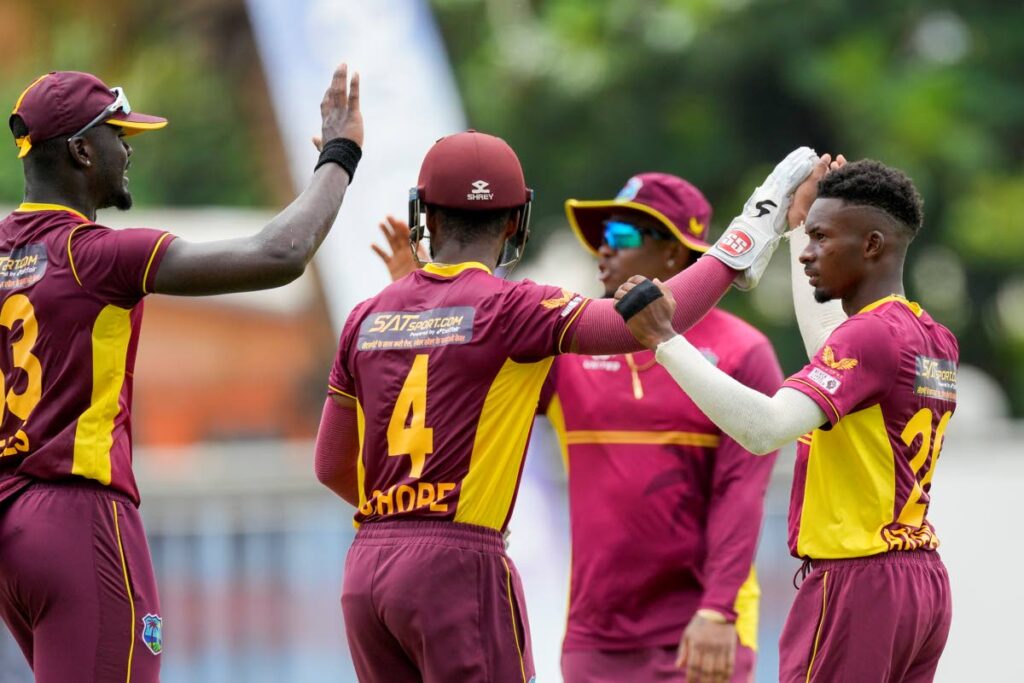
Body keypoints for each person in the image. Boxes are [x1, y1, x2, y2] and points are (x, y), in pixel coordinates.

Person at [313, 131, 817, 682]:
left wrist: (406, 512)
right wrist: (754, 227)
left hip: (369, 568)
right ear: (515, 223)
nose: (604, 247)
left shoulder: (366, 317)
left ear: (424, 216)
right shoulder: (515, 309)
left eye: (621, 232)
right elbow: (636, 324)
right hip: (463, 566)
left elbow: (332, 465)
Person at [0, 65, 363, 682]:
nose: (128, 149)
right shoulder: (98, 254)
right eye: (119, 135)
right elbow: (279, 255)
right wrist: (340, 154)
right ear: (83, 151)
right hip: (80, 519)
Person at [616, 156, 957, 682]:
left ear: (871, 245)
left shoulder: (869, 338)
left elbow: (766, 428)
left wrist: (664, 337)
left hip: (857, 581)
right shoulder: (931, 336)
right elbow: (832, 343)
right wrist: (799, 224)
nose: (808, 255)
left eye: (822, 239)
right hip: (921, 582)